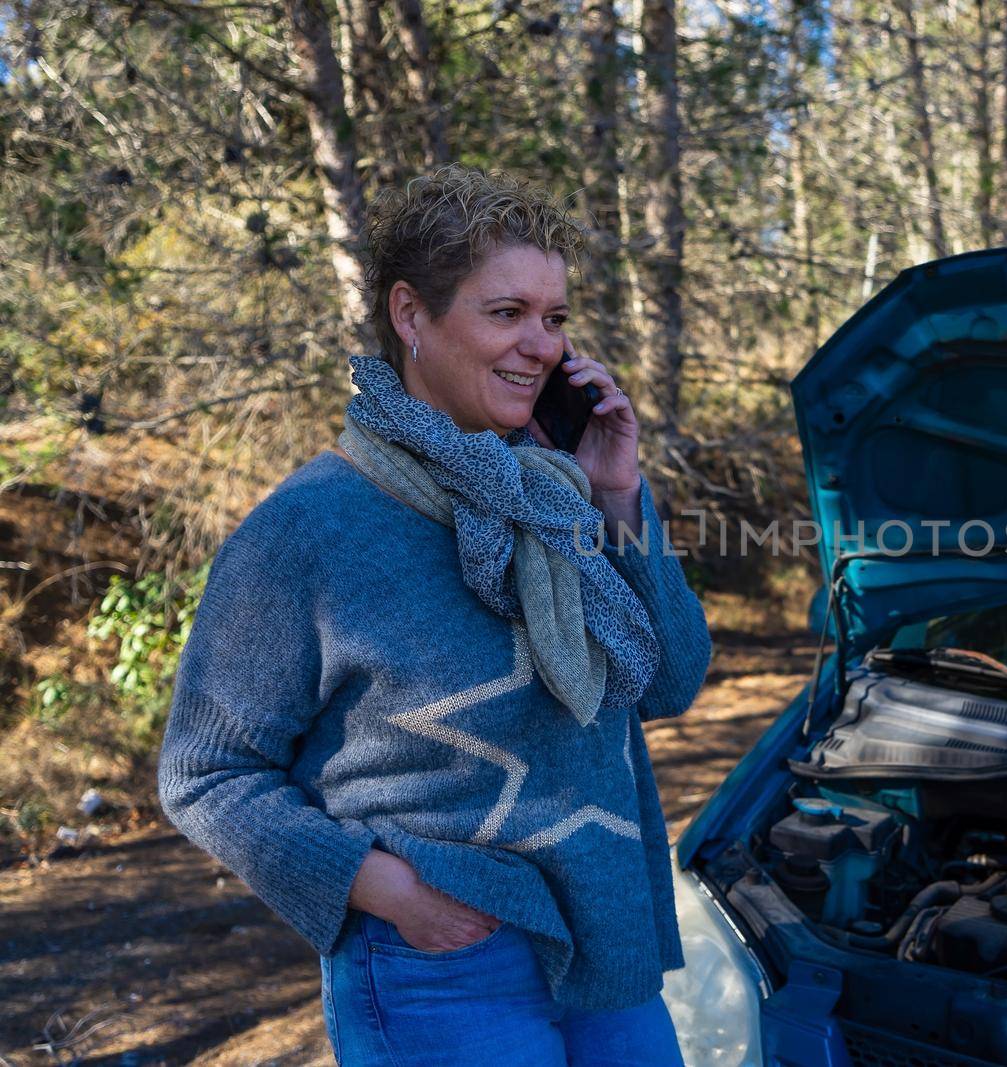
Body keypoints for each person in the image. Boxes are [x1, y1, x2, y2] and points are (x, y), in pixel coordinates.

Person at [157, 163, 712, 1065]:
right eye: (506, 313)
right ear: (411, 315)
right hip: (442, 963)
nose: (542, 346)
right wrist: (382, 889)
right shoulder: (307, 528)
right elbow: (205, 771)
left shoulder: (558, 495)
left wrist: (617, 491)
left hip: (609, 943)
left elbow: (673, 680)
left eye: (556, 318)